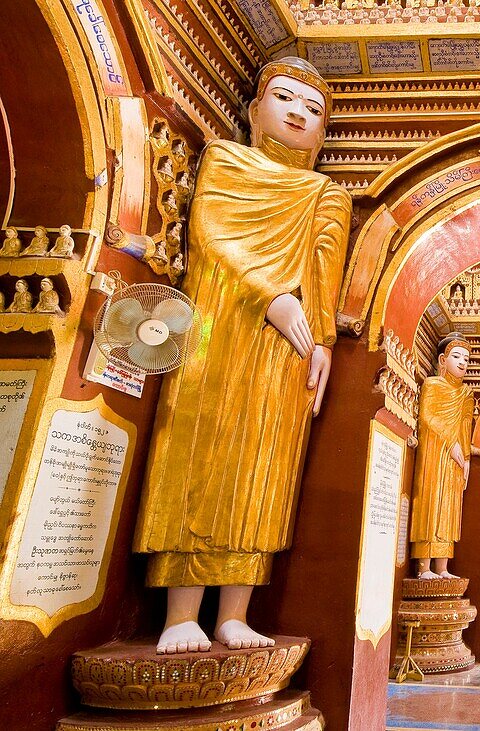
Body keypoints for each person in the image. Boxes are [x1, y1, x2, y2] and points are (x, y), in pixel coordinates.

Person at [132, 57, 350, 655]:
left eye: (313, 109)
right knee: (197, 452)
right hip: (220, 328)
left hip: (287, 350)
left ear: (323, 132)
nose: (298, 112)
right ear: (255, 111)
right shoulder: (226, 163)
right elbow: (209, 236)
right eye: (284, 98)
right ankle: (180, 611)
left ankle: (234, 611)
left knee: (265, 469)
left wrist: (323, 340)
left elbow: (325, 272)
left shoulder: (325, 195)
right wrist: (269, 296)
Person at [409, 332, 474, 579]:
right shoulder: (432, 385)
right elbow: (427, 417)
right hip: (434, 453)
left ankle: (443, 567)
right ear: (442, 359)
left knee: (449, 508)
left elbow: (466, 425)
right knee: (430, 501)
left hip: (456, 458)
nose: (462, 362)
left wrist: (465, 457)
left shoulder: (466, 393)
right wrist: (450, 443)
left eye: (466, 358)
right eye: (456, 356)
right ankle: (424, 567)